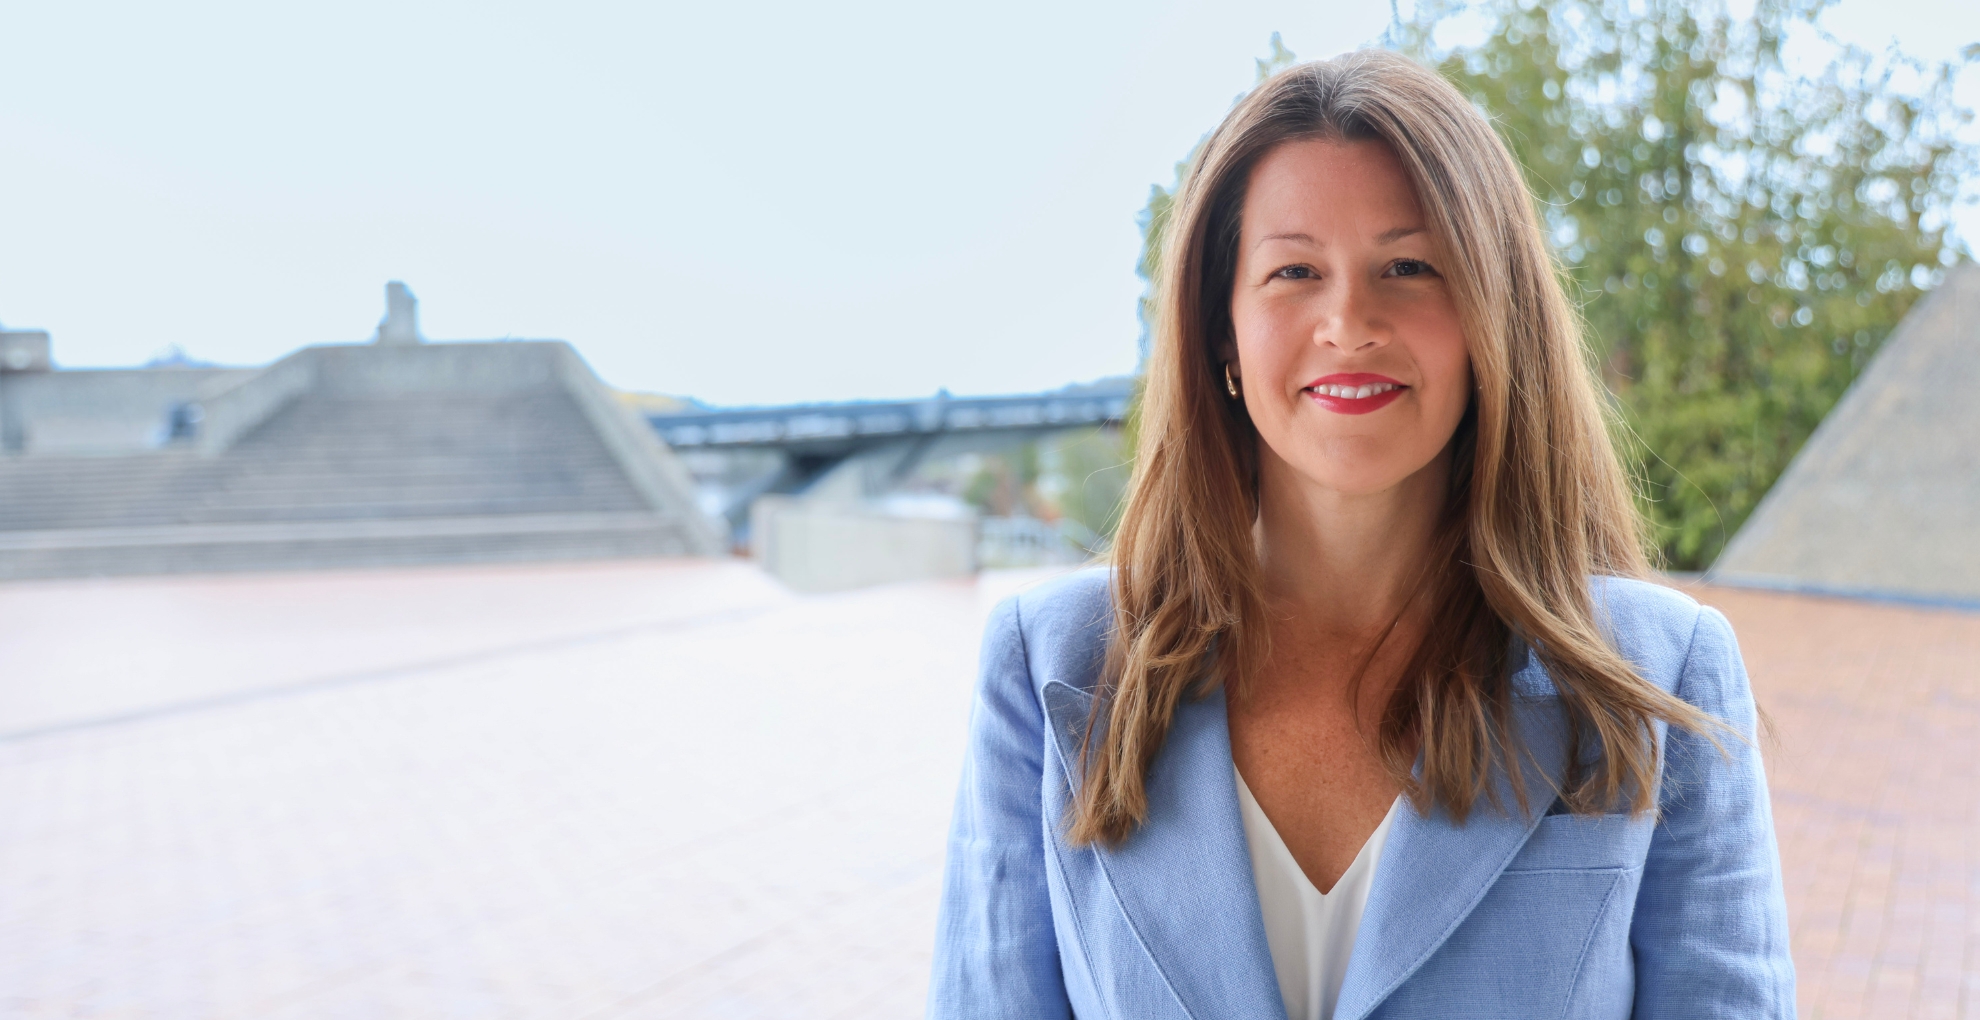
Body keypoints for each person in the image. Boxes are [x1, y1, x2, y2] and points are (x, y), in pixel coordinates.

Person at [926, 49, 1794, 1020]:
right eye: (1294, 270)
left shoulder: (1660, 673)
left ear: (1490, 321)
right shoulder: (1050, 668)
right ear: (1223, 334)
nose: (1349, 320)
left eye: (1409, 267)